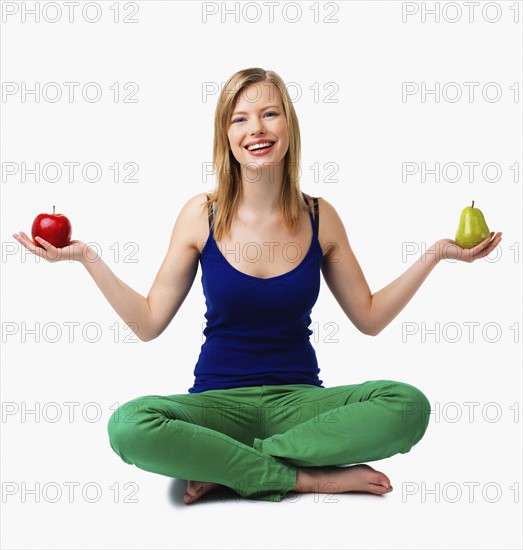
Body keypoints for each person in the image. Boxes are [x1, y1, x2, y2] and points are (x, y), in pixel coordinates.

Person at [13, 67, 502, 505]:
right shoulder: (199, 215)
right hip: (216, 403)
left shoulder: (320, 216)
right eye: (240, 118)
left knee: (407, 406)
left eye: (270, 113)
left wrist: (436, 255)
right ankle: (301, 478)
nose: (257, 129)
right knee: (129, 425)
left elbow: (369, 317)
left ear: (289, 126)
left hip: (302, 404)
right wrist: (86, 258)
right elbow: (147, 323)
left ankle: (227, 466)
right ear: (225, 135)